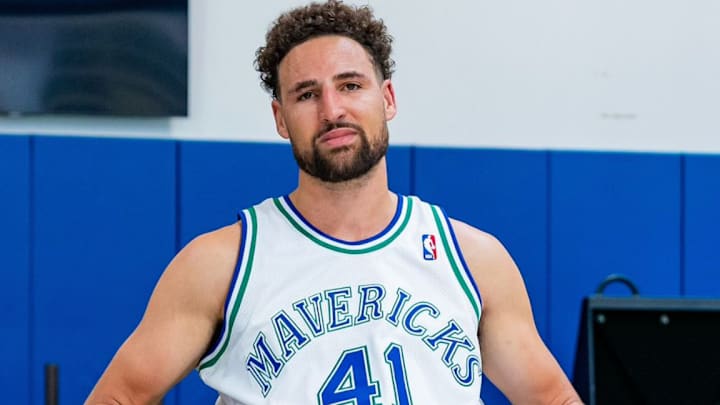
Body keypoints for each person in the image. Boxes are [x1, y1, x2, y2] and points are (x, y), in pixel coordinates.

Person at [86, 1, 583, 404]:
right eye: (306, 95)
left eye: (350, 85)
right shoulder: (222, 263)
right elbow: (120, 395)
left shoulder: (473, 259)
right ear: (281, 119)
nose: (332, 110)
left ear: (387, 98)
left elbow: (550, 397)